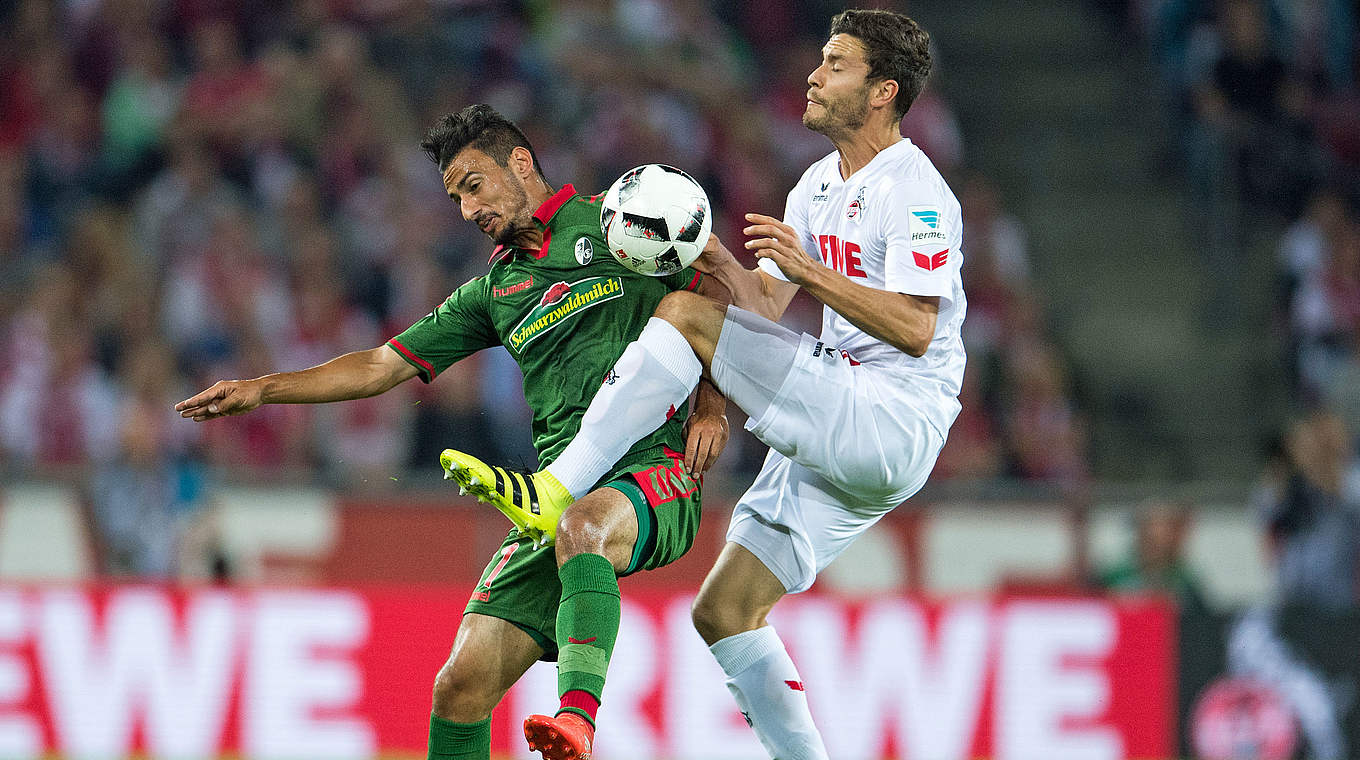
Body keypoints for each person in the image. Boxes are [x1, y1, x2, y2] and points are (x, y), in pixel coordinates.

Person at [441, 10, 965, 758]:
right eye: (819, 58)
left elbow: (916, 329)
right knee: (724, 611)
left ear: (882, 92)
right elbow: (761, 309)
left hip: (890, 413)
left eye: (836, 65)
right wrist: (710, 252)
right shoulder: (819, 184)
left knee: (686, 315)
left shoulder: (915, 193)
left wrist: (811, 275)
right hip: (836, 426)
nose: (814, 76)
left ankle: (557, 485)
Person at [175, 104, 730, 760]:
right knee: (457, 688)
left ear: (520, 164)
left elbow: (712, 297)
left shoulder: (617, 218)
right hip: (555, 496)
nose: (468, 212)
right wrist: (263, 389)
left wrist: (713, 405)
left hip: (655, 466)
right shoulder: (495, 292)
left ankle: (576, 720)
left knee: (584, 526)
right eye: (454, 198)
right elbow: (380, 365)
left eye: (474, 186)